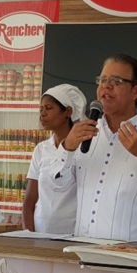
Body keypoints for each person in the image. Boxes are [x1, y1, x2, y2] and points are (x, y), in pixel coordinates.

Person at [44, 54, 137, 242]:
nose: (106, 86)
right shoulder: (83, 134)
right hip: (83, 256)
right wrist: (67, 149)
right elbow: (57, 186)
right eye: (102, 80)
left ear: (136, 91)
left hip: (132, 261)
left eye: (116, 81)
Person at [23, 84, 87, 234]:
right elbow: (29, 202)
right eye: (41, 109)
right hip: (40, 233)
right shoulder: (41, 149)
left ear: (68, 111)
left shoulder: (84, 148)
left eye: (49, 108)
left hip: (73, 235)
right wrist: (28, 235)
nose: (43, 114)